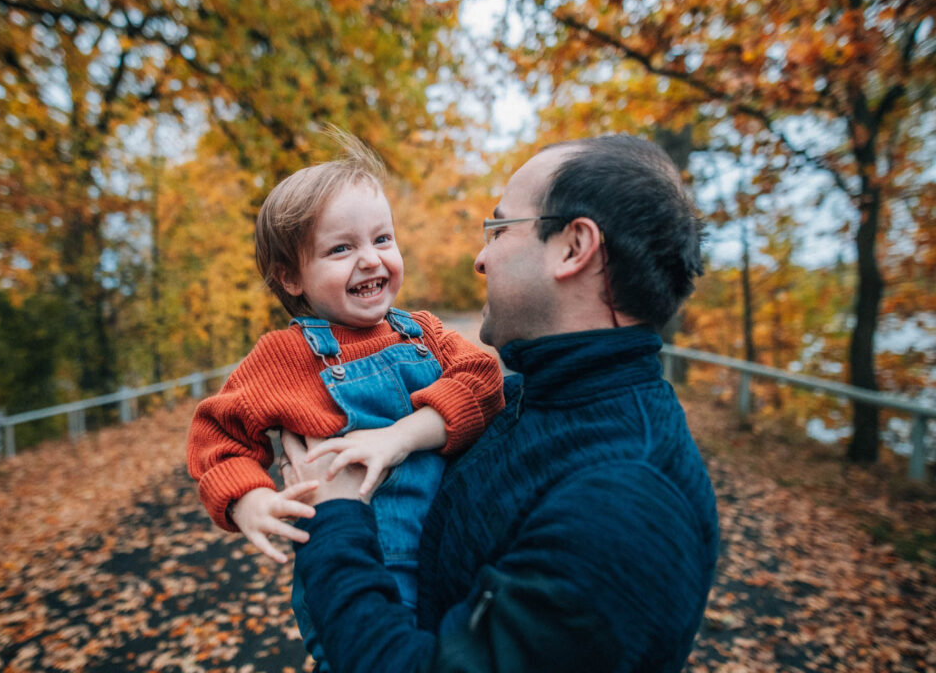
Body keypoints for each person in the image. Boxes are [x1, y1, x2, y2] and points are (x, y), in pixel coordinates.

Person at [282, 134, 720, 673]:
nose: (480, 258)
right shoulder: (534, 401)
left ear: (574, 247)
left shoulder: (624, 505)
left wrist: (335, 518)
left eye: (499, 229)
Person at [185, 132, 504, 670]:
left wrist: (401, 436)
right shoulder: (284, 355)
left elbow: (484, 378)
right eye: (341, 248)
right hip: (363, 561)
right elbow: (217, 435)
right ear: (292, 277)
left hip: (455, 551)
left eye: (382, 239)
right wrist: (247, 500)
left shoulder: (421, 331)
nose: (370, 259)